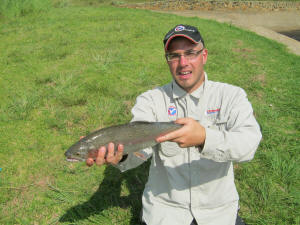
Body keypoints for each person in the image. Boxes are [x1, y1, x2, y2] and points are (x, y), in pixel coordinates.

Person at [86, 24, 262, 225]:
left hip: (218, 213)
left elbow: (248, 145)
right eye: (174, 56)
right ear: (167, 60)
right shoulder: (150, 100)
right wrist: (121, 153)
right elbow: (140, 152)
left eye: (190, 53)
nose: (183, 63)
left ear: (204, 56)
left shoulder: (232, 96)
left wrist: (205, 138)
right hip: (165, 213)